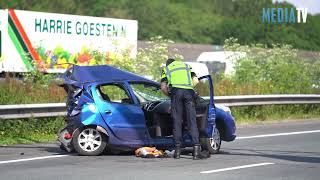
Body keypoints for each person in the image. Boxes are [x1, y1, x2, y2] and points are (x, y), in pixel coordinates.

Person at [160, 58, 208, 160]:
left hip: (176, 93)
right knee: (192, 120)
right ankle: (196, 152)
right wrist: (189, 88)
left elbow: (163, 87)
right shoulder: (186, 66)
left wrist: (170, 95)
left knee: (177, 121)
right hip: (189, 93)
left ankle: (177, 152)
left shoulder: (167, 69)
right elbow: (195, 80)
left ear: (168, 64)